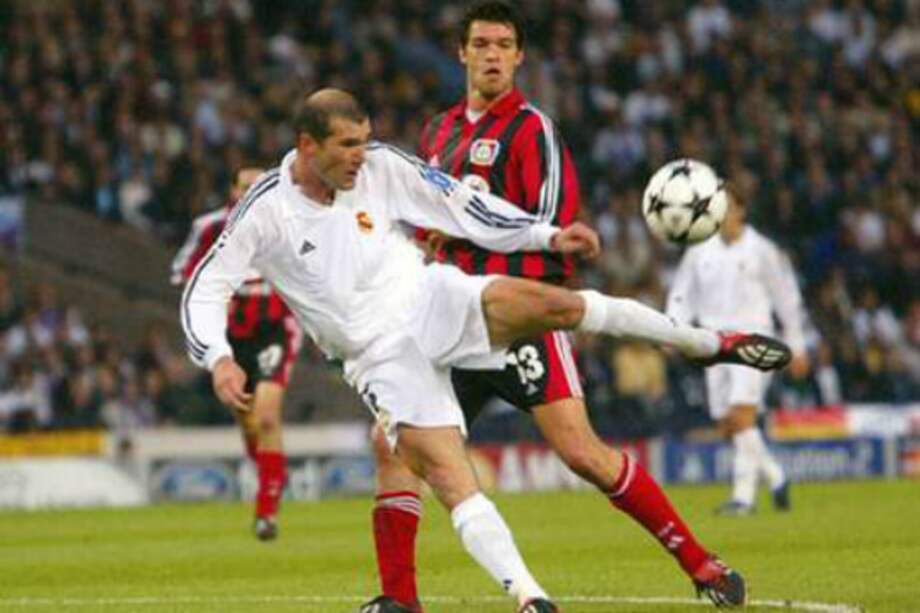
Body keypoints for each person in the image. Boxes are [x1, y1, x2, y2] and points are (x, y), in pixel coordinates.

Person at [181, 88, 789, 613]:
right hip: (379, 355)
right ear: (307, 145)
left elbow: (463, 206)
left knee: (557, 309)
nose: (359, 157)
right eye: (346, 145)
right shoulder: (266, 212)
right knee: (447, 475)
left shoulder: (383, 166)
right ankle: (527, 597)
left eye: (364, 141)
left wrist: (546, 234)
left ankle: (704, 344)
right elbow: (207, 286)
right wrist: (219, 356)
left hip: (431, 296)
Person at [364, 3, 764, 612]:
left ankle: (699, 562)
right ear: (462, 53)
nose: (492, 54)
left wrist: (470, 247)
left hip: (515, 315)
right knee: (392, 442)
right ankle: (399, 601)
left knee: (581, 452)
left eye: (504, 44)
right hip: (445, 315)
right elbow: (426, 218)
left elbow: (547, 227)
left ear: (519, 57)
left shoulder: (532, 131)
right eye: (481, 43)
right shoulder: (439, 134)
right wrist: (429, 242)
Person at [172, 167, 302, 541]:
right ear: (232, 190)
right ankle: (272, 472)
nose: (252, 191)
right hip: (229, 340)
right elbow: (183, 271)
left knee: (265, 416)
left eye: (259, 185)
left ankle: (267, 513)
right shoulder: (211, 227)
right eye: (245, 185)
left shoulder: (291, 221)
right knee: (248, 422)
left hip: (275, 328)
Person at [667, 184, 809, 516]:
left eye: (728, 206)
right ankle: (775, 476)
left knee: (741, 415)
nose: (722, 213)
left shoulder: (763, 250)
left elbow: (787, 299)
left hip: (753, 343)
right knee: (727, 425)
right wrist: (671, 330)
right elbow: (680, 294)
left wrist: (798, 345)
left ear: (742, 209)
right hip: (712, 343)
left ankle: (743, 499)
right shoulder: (699, 250)